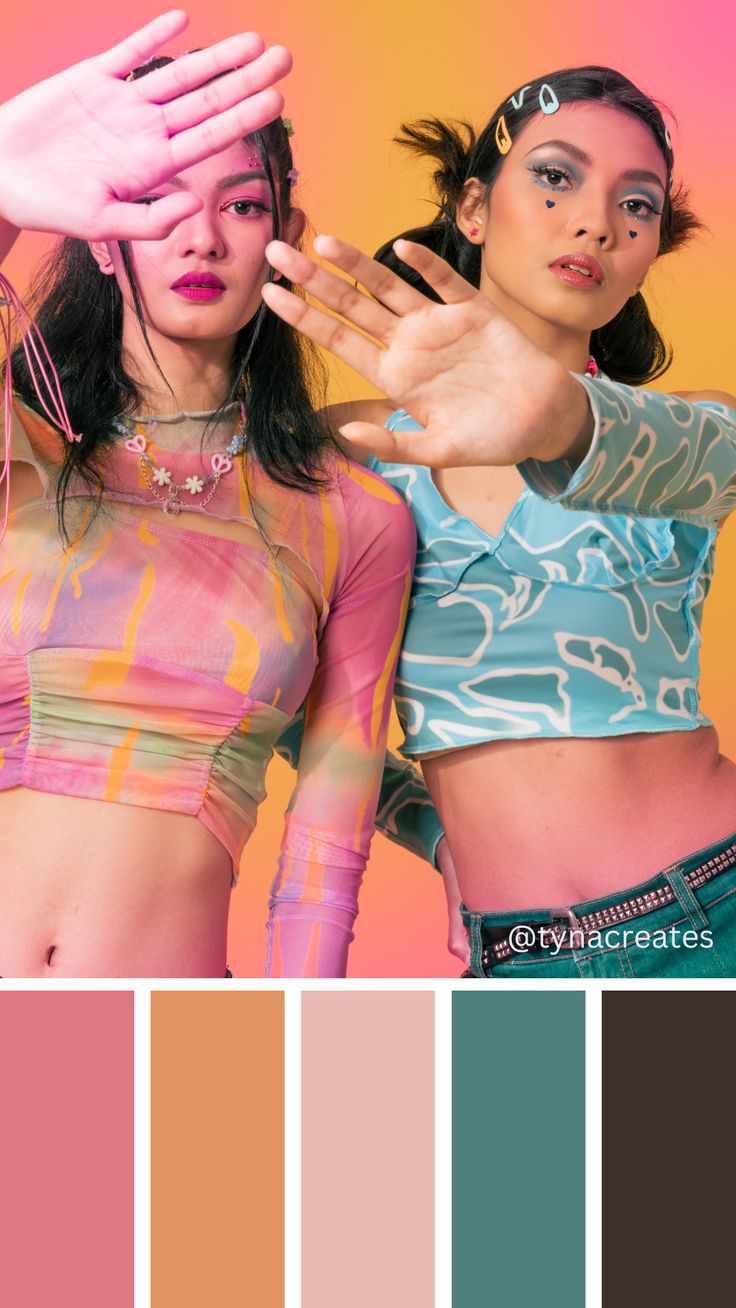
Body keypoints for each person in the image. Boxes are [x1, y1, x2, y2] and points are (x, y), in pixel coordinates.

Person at [263, 65, 736, 978]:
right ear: (474, 210)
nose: (597, 221)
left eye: (635, 205)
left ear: (645, 258)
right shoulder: (355, 455)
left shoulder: (689, 433)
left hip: (713, 910)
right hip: (518, 959)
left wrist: (556, 419)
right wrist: (436, 834)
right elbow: (269, 695)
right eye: (555, 178)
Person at [0, 12, 425, 979]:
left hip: (174, 1034)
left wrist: (298, 1044)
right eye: (158, 201)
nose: (199, 235)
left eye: (241, 206)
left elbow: (327, 840)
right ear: (106, 239)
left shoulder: (353, 522)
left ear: (286, 238)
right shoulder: (23, 446)